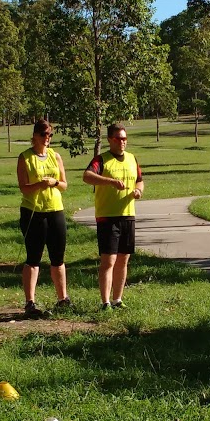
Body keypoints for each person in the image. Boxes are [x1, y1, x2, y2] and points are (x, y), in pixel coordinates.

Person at [82, 123, 143, 311]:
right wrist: (109, 182)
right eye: (118, 138)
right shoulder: (101, 160)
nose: (122, 142)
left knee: (123, 259)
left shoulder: (132, 159)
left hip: (128, 215)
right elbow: (87, 176)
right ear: (110, 140)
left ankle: (117, 299)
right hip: (107, 217)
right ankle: (105, 302)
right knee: (109, 260)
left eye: (124, 138)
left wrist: (138, 191)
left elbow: (140, 181)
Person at [16, 119, 71, 316]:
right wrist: (39, 184)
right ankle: (30, 303)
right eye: (43, 134)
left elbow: (64, 184)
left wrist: (55, 182)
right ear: (35, 136)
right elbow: (23, 187)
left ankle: (63, 299)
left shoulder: (55, 156)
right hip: (33, 212)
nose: (47, 138)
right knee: (33, 258)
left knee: (58, 257)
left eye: (50, 135)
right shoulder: (25, 158)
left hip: (55, 209)